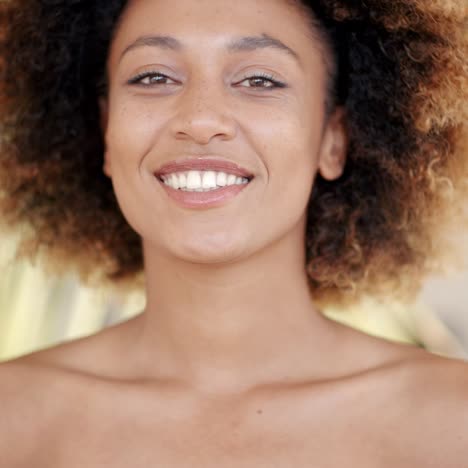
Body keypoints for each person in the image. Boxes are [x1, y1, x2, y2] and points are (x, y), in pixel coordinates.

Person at [0, 0, 467, 466]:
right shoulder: (15, 418)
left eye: (259, 80)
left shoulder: (451, 420)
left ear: (333, 138)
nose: (200, 121)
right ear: (106, 131)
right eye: (153, 77)